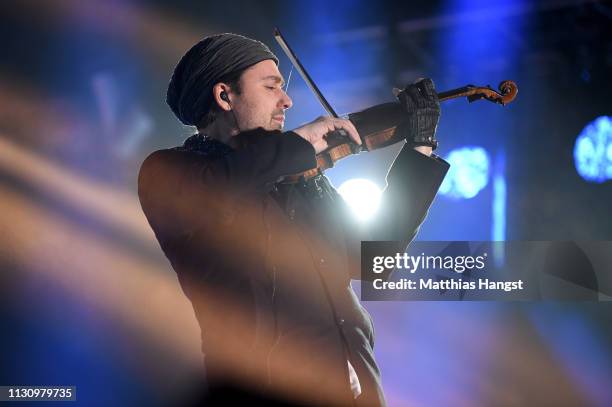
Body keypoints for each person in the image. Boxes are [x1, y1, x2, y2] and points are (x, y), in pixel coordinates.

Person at [138, 33, 449, 407]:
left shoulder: (298, 178)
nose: (287, 100)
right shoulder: (172, 172)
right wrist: (299, 143)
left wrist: (419, 148)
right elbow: (225, 185)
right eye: (271, 87)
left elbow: (371, 259)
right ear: (224, 96)